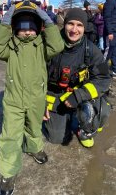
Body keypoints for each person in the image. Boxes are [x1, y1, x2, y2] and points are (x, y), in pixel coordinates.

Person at [0, 0, 64, 195]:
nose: (27, 32)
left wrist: (47, 18)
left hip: (36, 98)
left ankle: (34, 147)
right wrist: (6, 20)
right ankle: (8, 172)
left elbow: (57, 45)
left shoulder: (42, 47)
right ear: (15, 28)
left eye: (32, 27)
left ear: (38, 28)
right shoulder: (10, 48)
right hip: (13, 100)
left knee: (34, 127)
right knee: (11, 135)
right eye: (22, 27)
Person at [44, 8, 112, 149]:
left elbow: (103, 78)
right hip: (55, 96)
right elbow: (35, 77)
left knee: (102, 109)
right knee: (57, 138)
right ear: (65, 24)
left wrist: (79, 96)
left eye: (79, 25)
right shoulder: (50, 45)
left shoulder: (91, 50)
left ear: (85, 28)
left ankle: (85, 131)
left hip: (80, 95)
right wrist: (39, 104)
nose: (74, 29)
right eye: (71, 24)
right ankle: (66, 118)